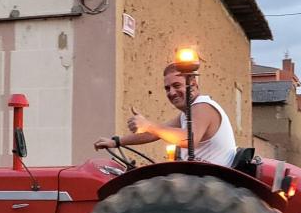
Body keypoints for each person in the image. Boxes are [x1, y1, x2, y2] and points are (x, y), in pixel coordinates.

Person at [94, 63, 237, 166]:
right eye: (167, 88)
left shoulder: (203, 107)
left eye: (177, 86)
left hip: (211, 184)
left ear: (193, 84)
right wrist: (116, 142)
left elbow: (189, 140)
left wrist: (149, 125)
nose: (171, 92)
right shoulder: (186, 114)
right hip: (202, 181)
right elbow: (155, 133)